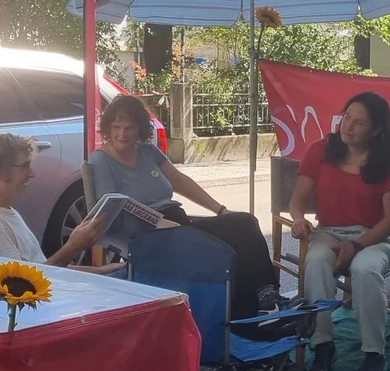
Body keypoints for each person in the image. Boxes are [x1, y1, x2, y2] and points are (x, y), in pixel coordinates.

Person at [89, 95, 283, 320]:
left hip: (176, 221)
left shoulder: (146, 151)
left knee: (243, 221)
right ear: (107, 128)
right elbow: (113, 205)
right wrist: (155, 220)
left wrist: (220, 210)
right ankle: (243, 314)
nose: (122, 134)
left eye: (129, 128)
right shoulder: (100, 160)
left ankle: (266, 293)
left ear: (140, 128)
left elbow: (179, 181)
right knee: (222, 248)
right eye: (116, 127)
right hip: (145, 232)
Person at [288, 92, 390, 371]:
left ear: (376, 130)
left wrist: (355, 246)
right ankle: (323, 343)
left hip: (373, 237)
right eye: (346, 117)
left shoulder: (385, 162)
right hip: (328, 232)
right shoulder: (321, 150)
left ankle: (374, 352)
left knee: (365, 269)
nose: (348, 126)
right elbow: (297, 202)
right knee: (315, 261)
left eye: (359, 122)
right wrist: (299, 219)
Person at [0, 133, 127, 273]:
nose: (31, 174)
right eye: (25, 166)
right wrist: (73, 247)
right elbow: (19, 284)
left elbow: (41, 267)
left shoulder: (2, 213)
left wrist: (99, 272)